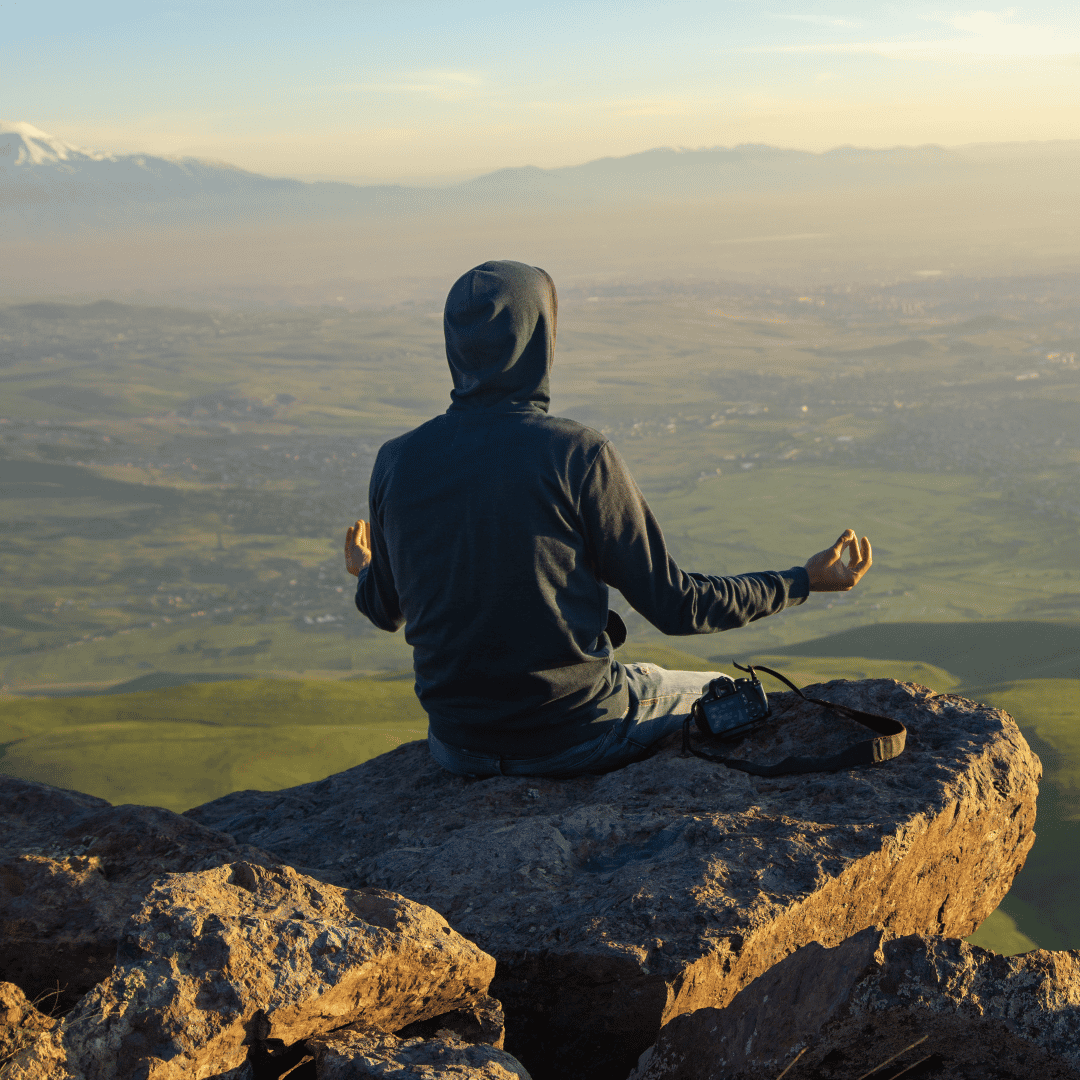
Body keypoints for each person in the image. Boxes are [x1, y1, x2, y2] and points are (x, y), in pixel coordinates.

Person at [345, 260, 871, 779]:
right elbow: (677, 606)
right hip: (575, 735)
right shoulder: (575, 454)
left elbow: (385, 609)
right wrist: (803, 581)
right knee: (727, 692)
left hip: (456, 747)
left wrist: (366, 569)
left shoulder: (398, 461)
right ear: (538, 337)